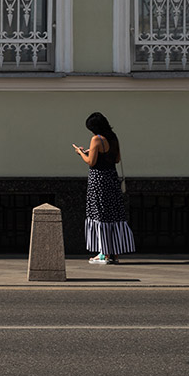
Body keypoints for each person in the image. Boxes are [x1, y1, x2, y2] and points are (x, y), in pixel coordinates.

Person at [72, 112, 134, 265]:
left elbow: (91, 162)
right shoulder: (113, 137)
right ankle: (114, 253)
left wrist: (81, 153)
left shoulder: (96, 139)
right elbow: (117, 159)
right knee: (113, 213)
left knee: (99, 213)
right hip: (111, 178)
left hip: (98, 180)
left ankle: (104, 254)